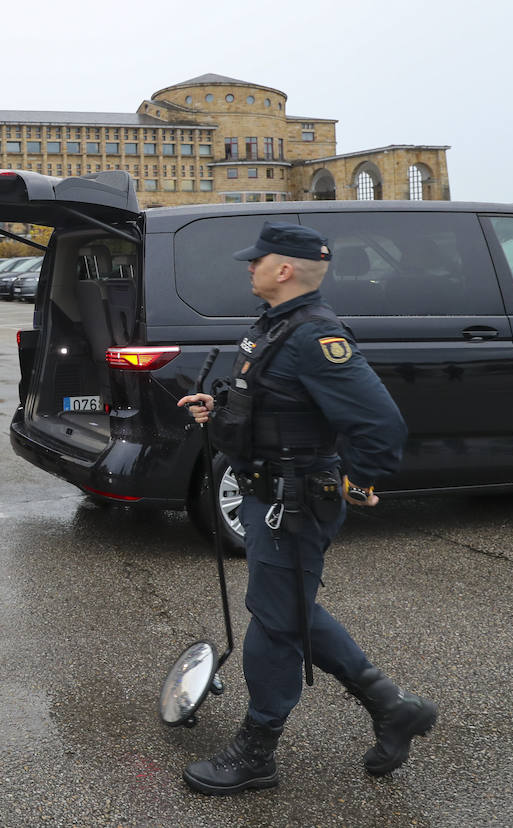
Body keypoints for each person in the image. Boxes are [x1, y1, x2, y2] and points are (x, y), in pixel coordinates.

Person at [175, 221, 435, 796]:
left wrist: (356, 481)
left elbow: (382, 426)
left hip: (294, 505)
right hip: (268, 494)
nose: (249, 267)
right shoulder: (274, 327)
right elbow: (270, 404)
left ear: (284, 269)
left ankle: (257, 751)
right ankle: (394, 708)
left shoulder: (315, 336)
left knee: (272, 624)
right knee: (290, 608)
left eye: (256, 260)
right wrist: (215, 411)